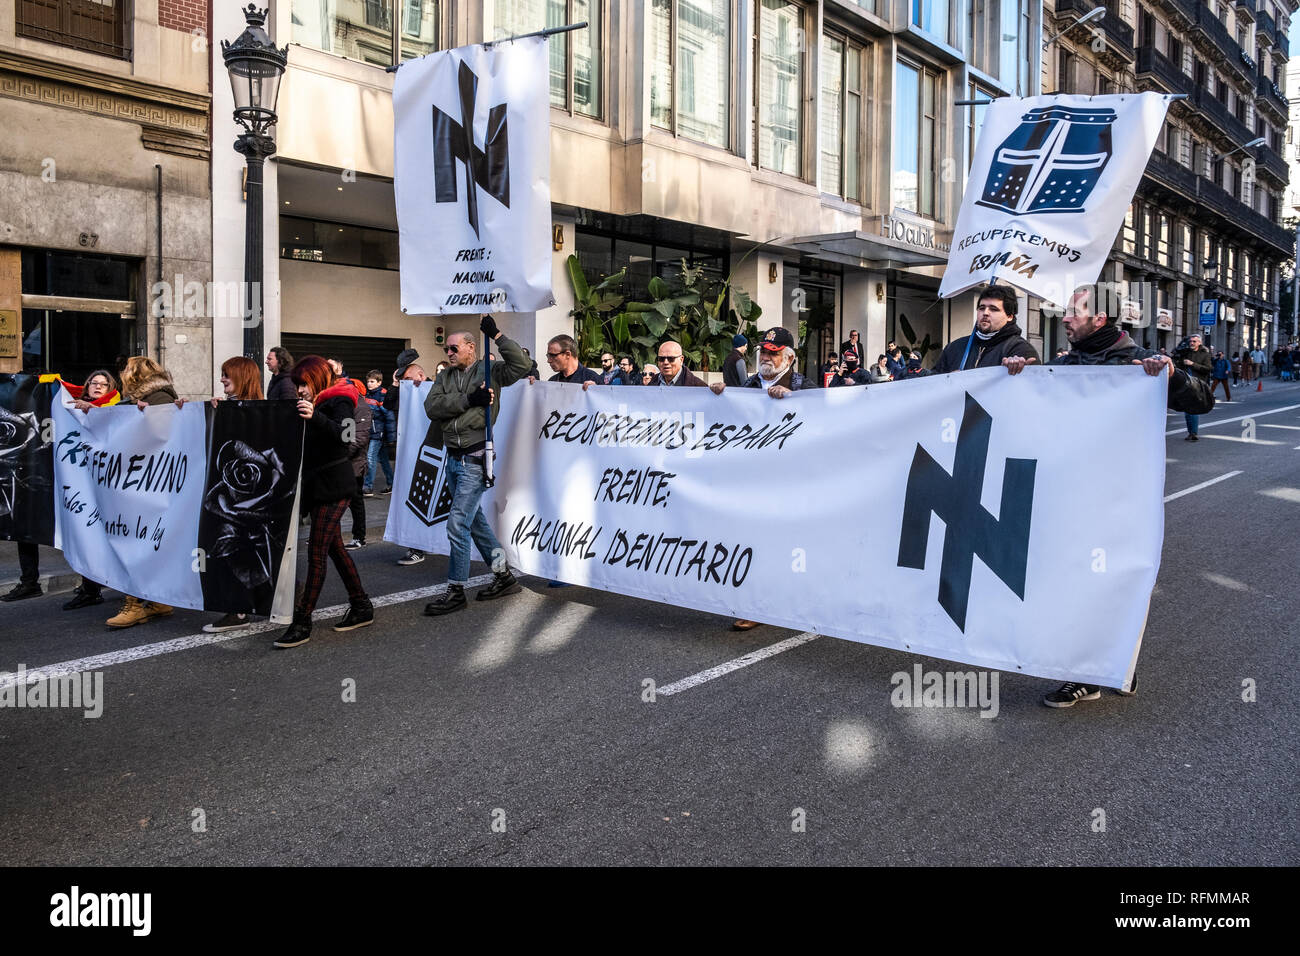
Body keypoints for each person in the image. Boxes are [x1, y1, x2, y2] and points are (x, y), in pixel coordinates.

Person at [1007, 287, 1213, 708]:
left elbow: (1203, 400)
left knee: (1116, 580)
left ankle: (1102, 667)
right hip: (1071, 494)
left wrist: (1172, 375)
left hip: (1121, 496)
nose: (1064, 318)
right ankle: (1096, 669)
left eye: (1073, 312)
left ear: (1099, 318)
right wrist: (1019, 373)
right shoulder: (1067, 364)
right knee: (1071, 580)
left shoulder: (1140, 361)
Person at [422, 316, 531, 614]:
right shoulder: (445, 377)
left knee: (458, 523)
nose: (449, 354)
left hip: (475, 458)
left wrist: (496, 334)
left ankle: (456, 589)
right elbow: (432, 407)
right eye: (447, 350)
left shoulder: (491, 370)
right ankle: (503, 575)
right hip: (453, 458)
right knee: (477, 524)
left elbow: (521, 366)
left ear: (472, 347)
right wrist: (470, 398)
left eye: (454, 348)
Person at [709, 326, 810, 630]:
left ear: (789, 358)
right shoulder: (748, 385)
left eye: (773, 353)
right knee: (750, 540)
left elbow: (825, 425)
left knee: (779, 542)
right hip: (750, 481)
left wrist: (796, 401)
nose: (766, 357)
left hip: (787, 482)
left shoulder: (806, 387)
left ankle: (785, 599)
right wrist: (719, 397)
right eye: (763, 351)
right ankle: (754, 604)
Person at [271, 355, 374, 648]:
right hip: (318, 486)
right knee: (334, 549)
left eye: (304, 384)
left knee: (316, 551)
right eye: (298, 385)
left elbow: (347, 437)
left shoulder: (339, 398)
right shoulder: (316, 402)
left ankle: (302, 621)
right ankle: (361, 605)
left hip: (336, 485)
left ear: (316, 379)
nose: (301, 390)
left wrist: (314, 415)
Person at [105, 357, 180, 629]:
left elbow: (160, 436)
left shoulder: (159, 399)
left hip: (147, 483)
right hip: (141, 481)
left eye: (126, 371)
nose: (122, 375)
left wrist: (138, 420)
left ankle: (135, 603)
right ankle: (157, 599)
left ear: (135, 376)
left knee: (135, 539)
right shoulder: (148, 398)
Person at [201, 357, 269, 633]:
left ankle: (239, 610)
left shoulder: (265, 412)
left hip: (249, 502)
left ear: (241, 377)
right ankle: (248, 605)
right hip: (229, 499)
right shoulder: (227, 409)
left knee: (237, 552)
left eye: (226, 375)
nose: (221, 380)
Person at [928, 285, 1039, 373]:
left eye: (993, 309)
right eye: (982, 308)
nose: (985, 313)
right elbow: (934, 384)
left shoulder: (1020, 350)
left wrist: (1017, 368)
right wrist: (949, 379)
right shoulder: (955, 347)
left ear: (1009, 316)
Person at [391, 360, 429, 567]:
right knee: (414, 499)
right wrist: (396, 384)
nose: (405, 384)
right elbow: (388, 403)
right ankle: (417, 546)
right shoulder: (406, 393)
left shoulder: (435, 389)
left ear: (421, 376)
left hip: (432, 455)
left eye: (408, 379)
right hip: (411, 453)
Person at [343, 374, 372, 551]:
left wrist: (342, 455)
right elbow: (346, 433)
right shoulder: (349, 406)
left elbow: (358, 438)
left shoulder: (361, 407)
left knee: (355, 502)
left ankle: (359, 536)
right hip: (348, 462)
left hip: (355, 464)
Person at [1173, 333, 1213, 440]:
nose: (1191, 343)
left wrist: (1192, 364)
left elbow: (1208, 369)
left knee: (1193, 409)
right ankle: (1191, 432)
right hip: (1186, 384)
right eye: (1190, 341)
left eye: (1194, 341)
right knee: (1187, 410)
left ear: (1199, 343)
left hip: (1198, 385)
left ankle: (1193, 433)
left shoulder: (1205, 354)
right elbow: (1178, 365)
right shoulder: (1186, 353)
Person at [362, 370, 396, 496]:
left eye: (372, 382)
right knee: (384, 459)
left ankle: (368, 487)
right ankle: (392, 483)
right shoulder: (367, 394)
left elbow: (389, 416)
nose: (369, 384)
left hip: (378, 434)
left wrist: (391, 437)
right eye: (368, 381)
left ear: (379, 382)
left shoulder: (382, 395)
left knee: (370, 458)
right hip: (371, 432)